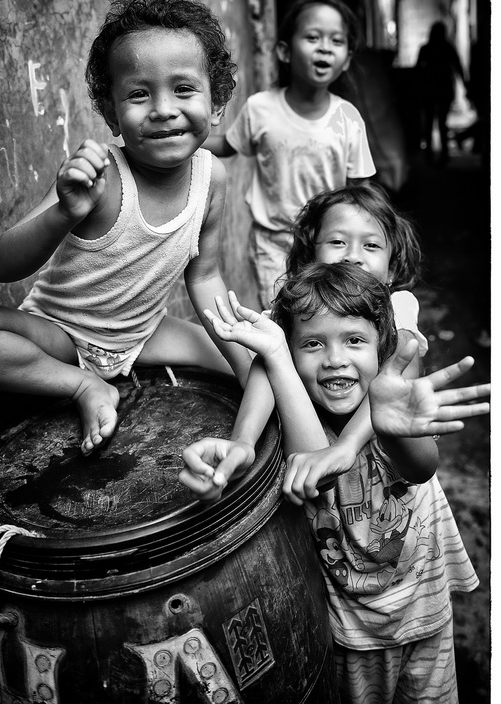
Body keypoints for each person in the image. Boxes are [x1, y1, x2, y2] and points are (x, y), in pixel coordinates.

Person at [192, 262, 490, 704]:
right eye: (313, 344)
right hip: (347, 633)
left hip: (422, 612)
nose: (334, 359)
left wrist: (394, 433)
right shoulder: (294, 420)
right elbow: (316, 472)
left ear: (381, 348)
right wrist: (272, 364)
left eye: (354, 340)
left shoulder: (388, 414)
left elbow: (422, 466)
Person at [0, 0, 253, 456]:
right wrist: (64, 212)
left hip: (145, 334)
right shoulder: (99, 175)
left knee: (258, 363)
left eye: (184, 89)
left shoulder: (213, 177)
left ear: (217, 103)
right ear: (111, 113)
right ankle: (80, 386)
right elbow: (0, 266)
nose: (164, 109)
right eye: (139, 94)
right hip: (61, 334)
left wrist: (249, 367)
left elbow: (204, 277)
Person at [180, 181, 427, 500]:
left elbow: (403, 368)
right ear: (310, 257)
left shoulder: (398, 306)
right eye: (337, 241)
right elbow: (267, 362)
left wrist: (345, 447)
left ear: (392, 269)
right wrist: (244, 441)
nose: (352, 256)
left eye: (371, 246)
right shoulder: (295, 315)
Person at [204, 0, 376, 308]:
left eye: (336, 41)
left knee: (325, 319)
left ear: (347, 59)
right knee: (282, 319)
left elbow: (360, 193)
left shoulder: (348, 118)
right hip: (273, 244)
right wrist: (183, 136)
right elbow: (227, 145)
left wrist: (365, 245)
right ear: (284, 51)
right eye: (313, 37)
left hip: (329, 246)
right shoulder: (261, 108)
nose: (325, 47)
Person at [416, 21, 465, 164]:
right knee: (442, 123)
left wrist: (419, 87)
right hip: (444, 89)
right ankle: (444, 155)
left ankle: (429, 155)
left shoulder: (426, 49)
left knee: (429, 122)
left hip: (429, 89)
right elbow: (457, 66)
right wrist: (464, 83)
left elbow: (418, 70)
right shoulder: (447, 48)